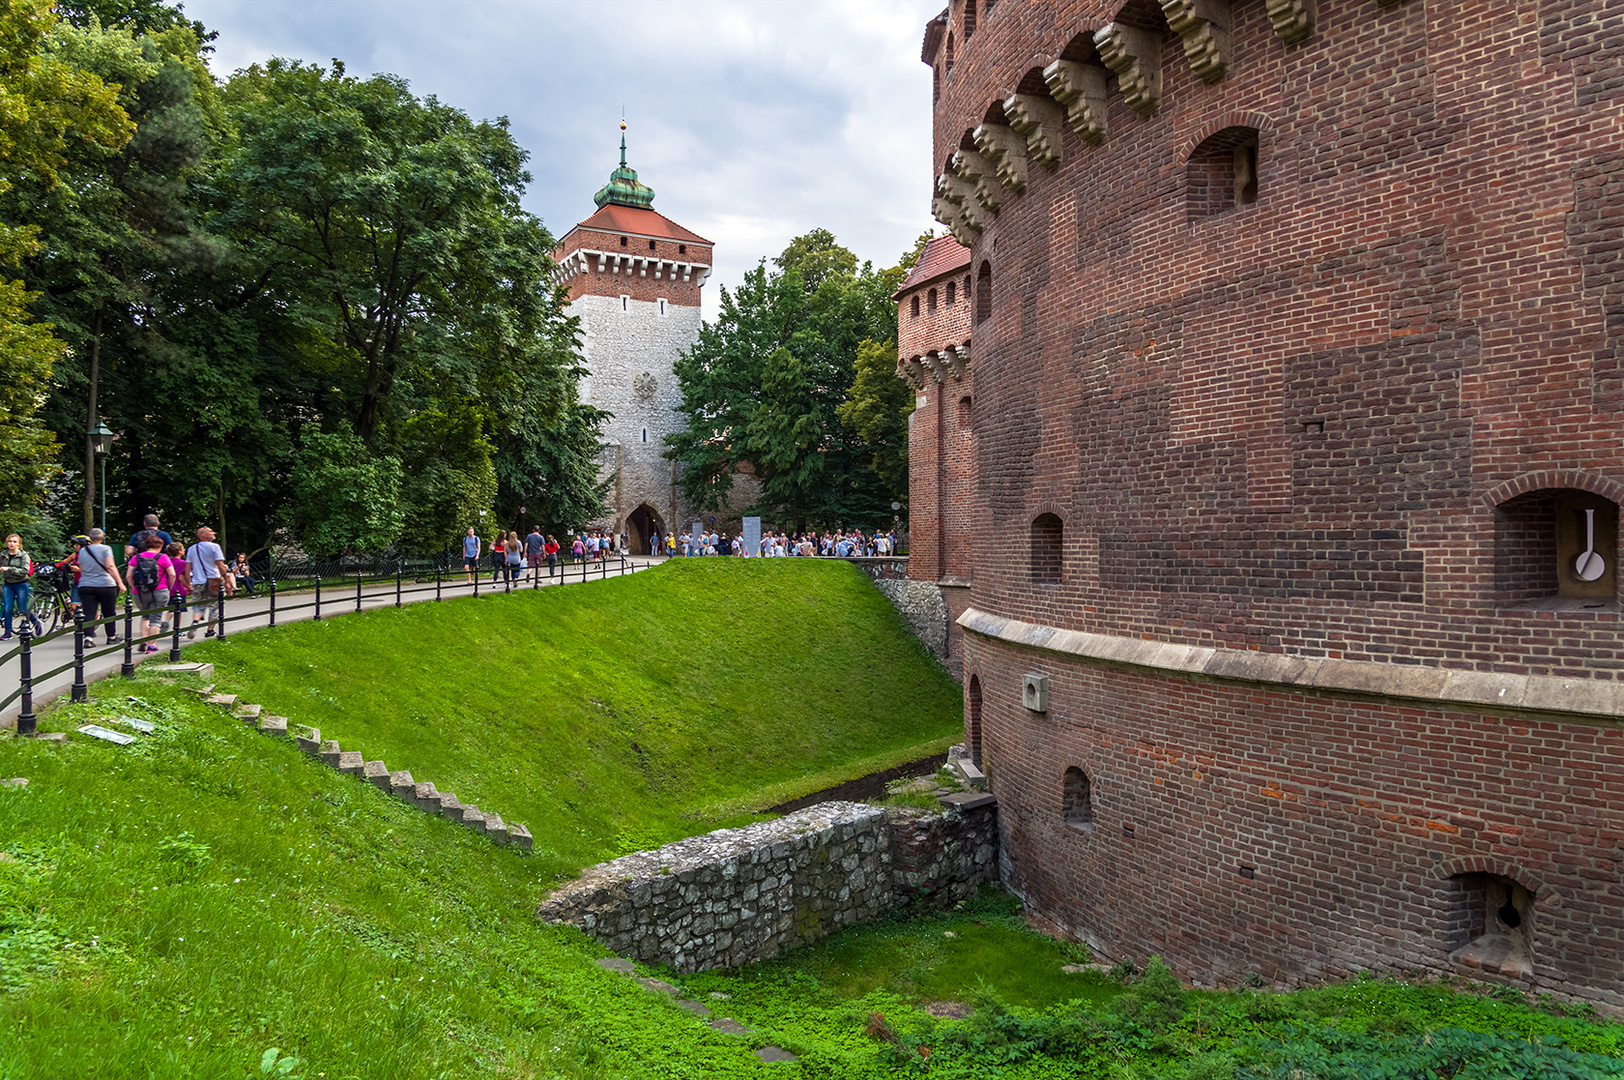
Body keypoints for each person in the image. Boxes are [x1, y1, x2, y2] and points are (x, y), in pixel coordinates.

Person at [76, 528, 126, 646]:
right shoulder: (106, 549)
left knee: (89, 612)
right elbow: (110, 566)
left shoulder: (83, 551)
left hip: (86, 585)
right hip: (105, 585)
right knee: (109, 611)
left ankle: (88, 638)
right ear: (102, 538)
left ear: (90, 538)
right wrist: (120, 582)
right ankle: (111, 636)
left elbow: (81, 568)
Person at [126, 530, 174, 653]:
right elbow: (172, 574)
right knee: (156, 618)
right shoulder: (163, 557)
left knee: (145, 616)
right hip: (160, 589)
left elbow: (128, 576)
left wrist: (134, 587)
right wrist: (168, 587)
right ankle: (152, 646)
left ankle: (144, 640)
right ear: (161, 546)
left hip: (140, 591)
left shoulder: (137, 557)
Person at [184, 526, 226, 639]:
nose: (214, 533)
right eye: (211, 532)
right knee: (214, 606)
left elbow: (187, 568)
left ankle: (195, 622)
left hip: (197, 581)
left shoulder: (192, 549)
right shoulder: (215, 547)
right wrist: (225, 575)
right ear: (203, 535)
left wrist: (189, 584)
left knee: (198, 605)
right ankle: (210, 631)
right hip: (213, 580)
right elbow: (220, 564)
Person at [1, 534, 41, 640]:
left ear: (19, 544)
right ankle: (8, 632)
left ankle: (36, 623)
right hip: (8, 584)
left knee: (22, 608)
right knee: (8, 608)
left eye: (14, 542)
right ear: (6, 543)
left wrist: (9, 569)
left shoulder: (24, 556)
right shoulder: (3, 555)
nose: (12, 544)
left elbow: (25, 571)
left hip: (21, 584)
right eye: (10, 541)